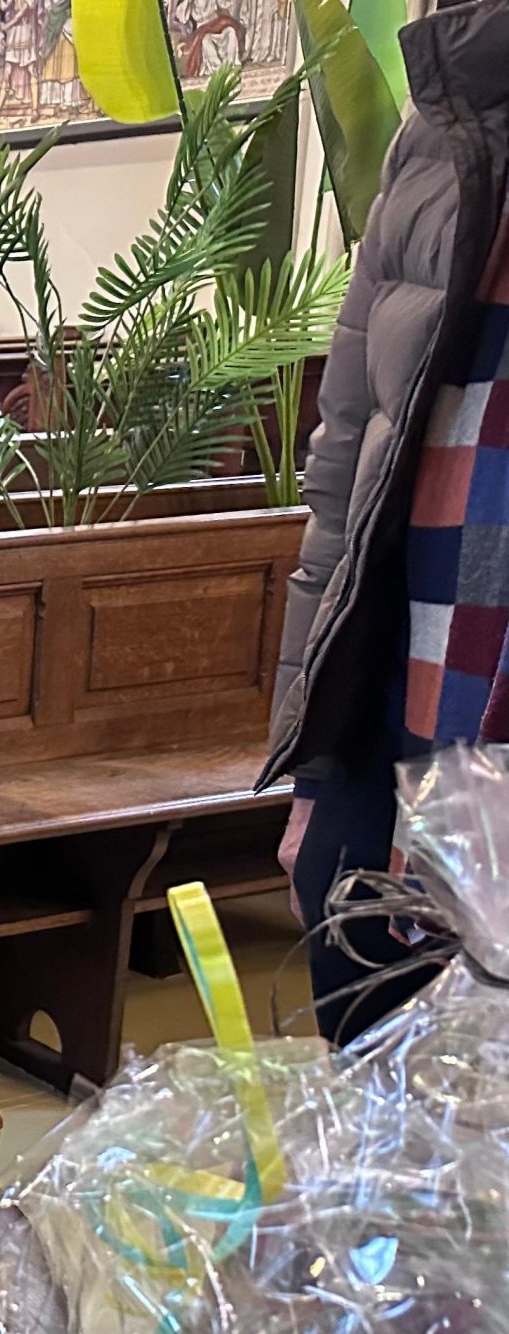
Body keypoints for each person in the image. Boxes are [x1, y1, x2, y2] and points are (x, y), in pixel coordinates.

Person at [265, 0, 509, 1045]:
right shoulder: (451, 121)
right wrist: (317, 764)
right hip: (403, 745)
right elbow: (350, 462)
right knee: (386, 1157)